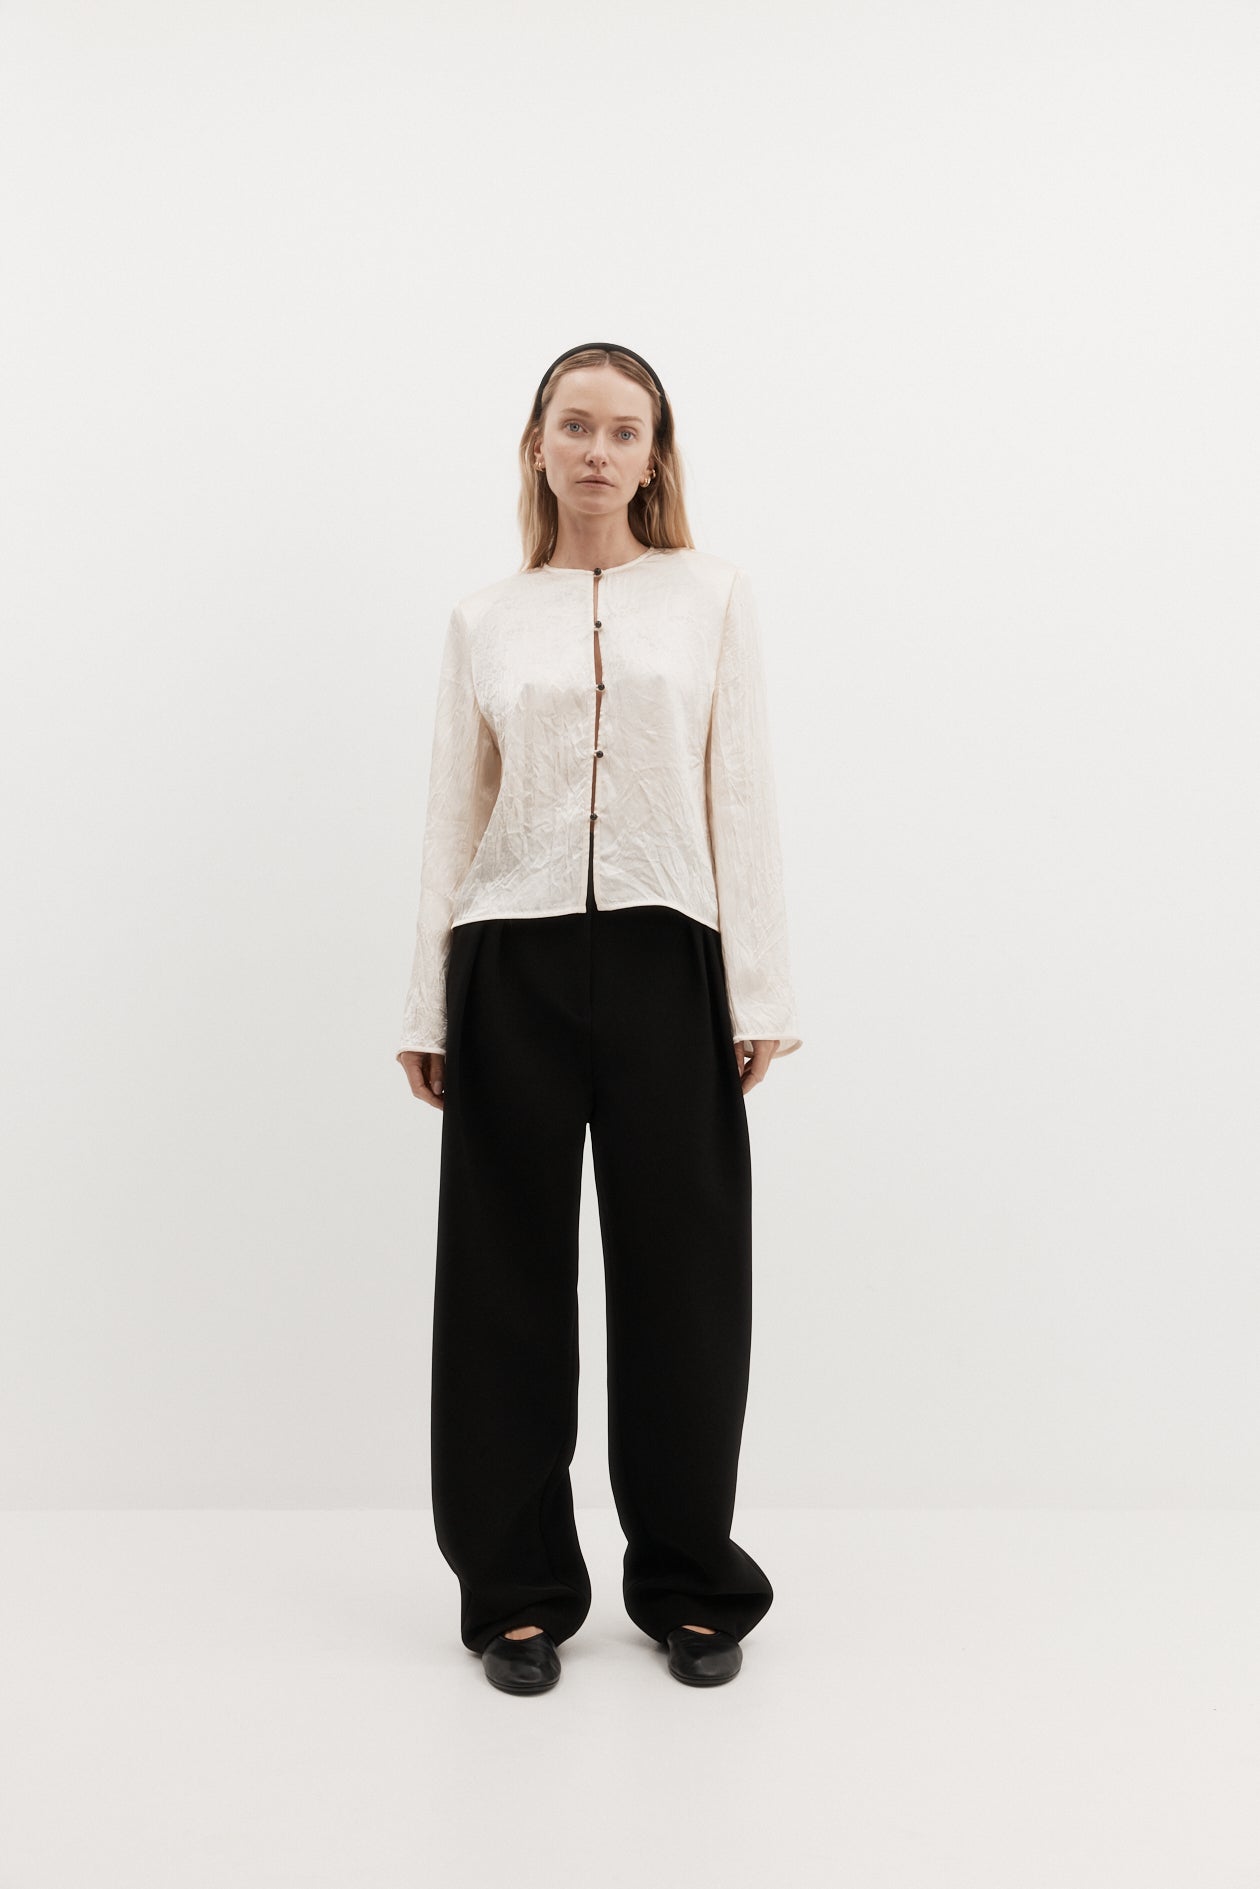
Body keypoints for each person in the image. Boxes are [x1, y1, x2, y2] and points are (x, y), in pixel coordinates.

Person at [396, 341, 802, 1694]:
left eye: (625, 431)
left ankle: (691, 1585)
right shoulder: (486, 619)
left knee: (685, 1280)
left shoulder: (711, 597)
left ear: (653, 456)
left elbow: (740, 790)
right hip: (507, 959)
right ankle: (515, 1592)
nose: (597, 450)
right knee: (501, 1283)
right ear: (537, 443)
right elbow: (451, 813)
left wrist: (758, 987)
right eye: (576, 425)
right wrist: (427, 1005)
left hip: (666, 955)